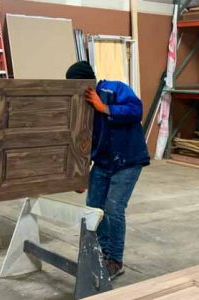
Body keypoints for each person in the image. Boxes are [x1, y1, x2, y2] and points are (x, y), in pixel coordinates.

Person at [66, 61, 149, 279]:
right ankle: (100, 253)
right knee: (94, 208)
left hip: (128, 160)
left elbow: (136, 109)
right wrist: (80, 176)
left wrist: (105, 108)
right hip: (103, 162)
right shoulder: (81, 106)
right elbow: (83, 143)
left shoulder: (115, 88)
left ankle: (115, 260)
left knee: (113, 209)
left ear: (87, 82)